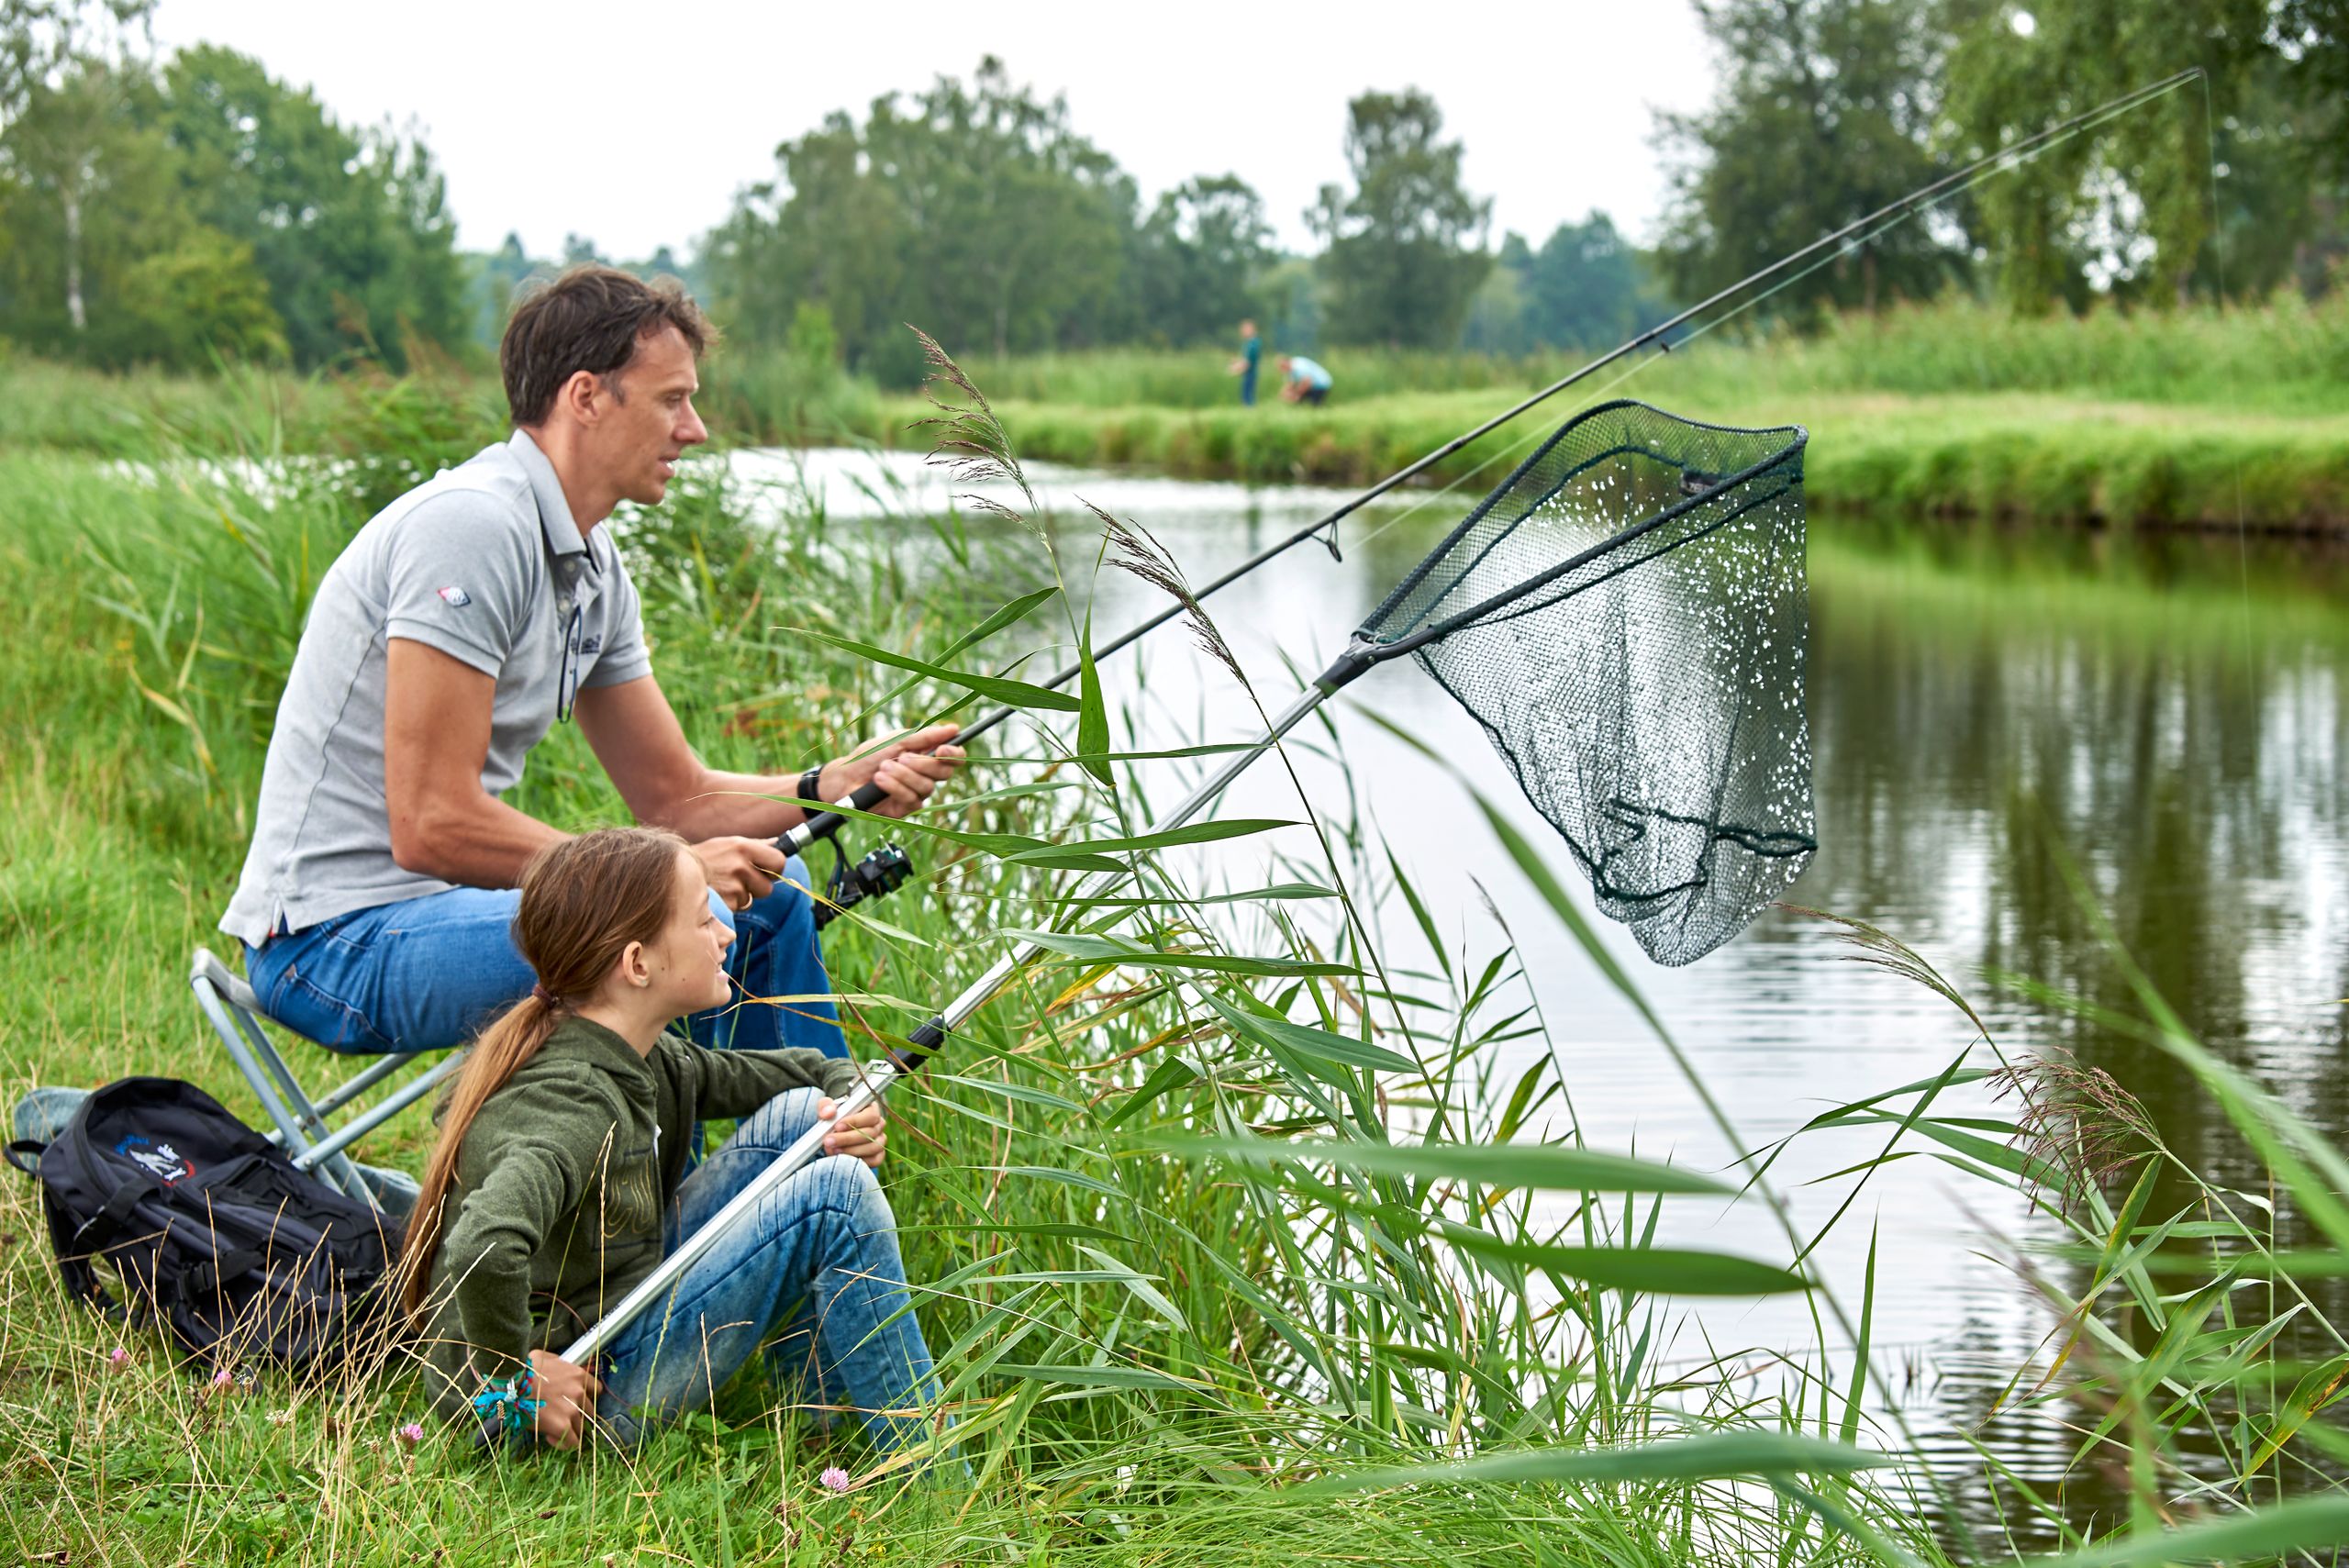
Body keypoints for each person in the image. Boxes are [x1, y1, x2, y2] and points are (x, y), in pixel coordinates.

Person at [219, 265, 963, 1063]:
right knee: (659, 927)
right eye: (672, 399)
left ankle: (802, 1168)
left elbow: (674, 795)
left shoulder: (593, 566)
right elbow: (430, 821)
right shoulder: (473, 526)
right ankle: (657, 1189)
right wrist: (654, 878)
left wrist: (829, 786)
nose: (696, 428)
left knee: (764, 907)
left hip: (440, 914)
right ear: (585, 397)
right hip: (330, 940)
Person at [399, 827, 945, 1455]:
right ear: (638, 964)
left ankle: (813, 1409)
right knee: (837, 1195)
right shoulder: (577, 1108)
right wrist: (515, 1384)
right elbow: (483, 1244)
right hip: (576, 1404)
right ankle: (933, 1471)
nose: (727, 934)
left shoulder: (639, 1054)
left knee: (809, 1117)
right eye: (701, 921)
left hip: (617, 1314)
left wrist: (852, 1093)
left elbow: (796, 1070)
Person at [1227, 317, 1262, 406]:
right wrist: (1236, 364)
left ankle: (1250, 412)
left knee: (1248, 396)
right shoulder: (1248, 343)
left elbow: (1248, 362)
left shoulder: (1253, 344)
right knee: (1246, 394)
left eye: (1244, 329)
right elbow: (1244, 360)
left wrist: (1235, 369)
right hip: (1248, 372)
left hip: (1250, 372)